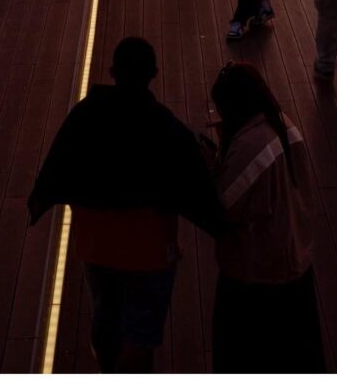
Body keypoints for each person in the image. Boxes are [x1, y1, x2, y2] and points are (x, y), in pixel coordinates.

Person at [27, 37, 221, 375]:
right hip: (149, 250)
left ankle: (107, 367)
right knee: (140, 335)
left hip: (95, 245)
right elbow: (194, 185)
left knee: (105, 317)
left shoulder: (85, 114)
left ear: (112, 72)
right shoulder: (163, 125)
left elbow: (58, 168)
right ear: (154, 74)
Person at [207, 63, 325, 373]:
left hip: (258, 276)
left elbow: (223, 205)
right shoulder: (282, 124)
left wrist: (213, 164)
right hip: (293, 262)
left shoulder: (251, 146)